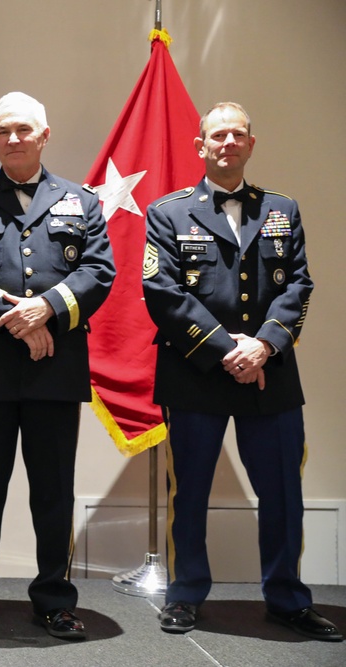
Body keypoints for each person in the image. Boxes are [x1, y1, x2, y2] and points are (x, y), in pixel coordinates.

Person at [143, 102, 341, 641]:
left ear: (251, 143)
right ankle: (185, 594)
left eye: (237, 134)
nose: (227, 142)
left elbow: (298, 286)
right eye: (217, 135)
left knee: (282, 491)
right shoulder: (168, 212)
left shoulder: (283, 208)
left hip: (270, 372)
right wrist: (228, 349)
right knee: (190, 491)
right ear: (200, 146)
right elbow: (162, 293)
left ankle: (286, 598)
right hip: (196, 369)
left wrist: (264, 348)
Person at [0, 92, 114, 640]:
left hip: (54, 370)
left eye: (22, 130)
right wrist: (15, 318)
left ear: (44, 135)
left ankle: (54, 600)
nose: (11, 139)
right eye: (2, 131)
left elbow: (99, 270)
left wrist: (48, 310)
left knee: (54, 491)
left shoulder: (81, 202)